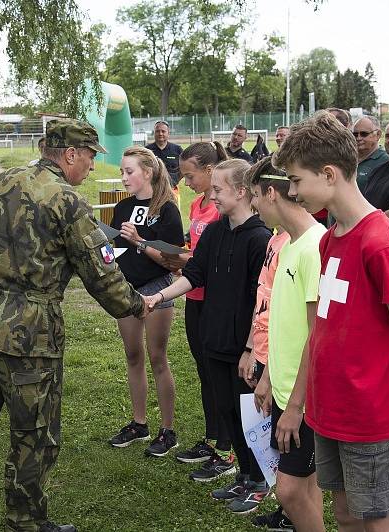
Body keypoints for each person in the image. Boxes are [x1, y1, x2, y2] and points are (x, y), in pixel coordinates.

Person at [0, 119, 147, 532]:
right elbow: (101, 273)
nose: (89, 166)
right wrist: (136, 304)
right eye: (87, 157)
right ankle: (26, 519)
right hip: (28, 335)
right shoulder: (66, 200)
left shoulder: (3, 181)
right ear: (69, 155)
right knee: (34, 432)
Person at [274, 111, 389, 531]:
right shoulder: (329, 239)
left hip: (366, 414)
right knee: (345, 513)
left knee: (377, 518)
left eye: (295, 180)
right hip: (329, 406)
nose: (291, 192)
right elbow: (325, 327)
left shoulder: (381, 243)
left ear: (328, 174)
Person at [146, 159, 272, 514]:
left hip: (243, 347)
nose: (211, 195)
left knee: (250, 415)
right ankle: (244, 475)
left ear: (242, 192)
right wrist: (159, 296)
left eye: (218, 190)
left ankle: (261, 481)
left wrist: (250, 349)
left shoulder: (260, 238)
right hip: (213, 338)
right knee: (227, 410)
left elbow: (261, 301)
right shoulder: (216, 232)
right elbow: (195, 274)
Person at [246, 158, 326, 532]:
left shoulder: (313, 247)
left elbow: (316, 335)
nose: (254, 206)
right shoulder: (288, 243)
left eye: (255, 197)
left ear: (271, 193)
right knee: (306, 485)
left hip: (304, 396)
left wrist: (296, 405)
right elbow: (283, 323)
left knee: (290, 490)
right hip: (284, 387)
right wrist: (267, 378)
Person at [161, 142, 233, 481]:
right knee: (204, 370)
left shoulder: (223, 208)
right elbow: (196, 248)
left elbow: (217, 254)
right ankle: (211, 436)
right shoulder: (195, 204)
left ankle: (227, 445)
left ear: (209, 170)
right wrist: (180, 258)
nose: (186, 181)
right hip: (194, 296)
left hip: (215, 299)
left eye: (190, 175)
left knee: (220, 374)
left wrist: (187, 261)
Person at [107, 147, 183, 457]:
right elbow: (114, 249)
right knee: (133, 356)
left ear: (147, 173)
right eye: (122, 171)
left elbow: (174, 260)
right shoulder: (122, 208)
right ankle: (140, 423)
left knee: (157, 358)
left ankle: (168, 430)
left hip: (156, 289)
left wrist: (140, 242)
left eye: (129, 172)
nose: (123, 178)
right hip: (127, 289)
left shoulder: (167, 209)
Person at [352, 115, 389, 191]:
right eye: (355, 134)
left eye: (364, 134)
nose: (358, 138)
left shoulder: (386, 161)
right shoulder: (347, 157)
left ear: (378, 135)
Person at [145, 121, 183, 188]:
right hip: (152, 189)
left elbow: (184, 167)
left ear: (168, 133)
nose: (160, 133)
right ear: (154, 133)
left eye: (163, 131)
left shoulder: (177, 149)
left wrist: (175, 180)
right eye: (157, 131)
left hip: (172, 189)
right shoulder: (147, 151)